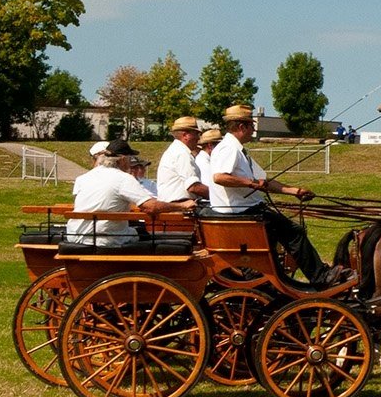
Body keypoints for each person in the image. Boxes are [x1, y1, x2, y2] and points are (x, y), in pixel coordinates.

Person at [208, 103, 329, 283]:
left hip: (247, 210)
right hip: (241, 212)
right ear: (242, 126)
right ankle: (321, 278)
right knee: (295, 232)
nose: (253, 130)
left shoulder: (239, 151)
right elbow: (219, 177)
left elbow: (264, 181)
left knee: (277, 239)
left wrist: (294, 191)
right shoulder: (229, 149)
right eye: (252, 126)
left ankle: (272, 278)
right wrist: (251, 183)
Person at [66, 140, 192, 247]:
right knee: (143, 233)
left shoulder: (84, 178)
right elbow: (151, 206)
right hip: (103, 239)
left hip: (74, 234)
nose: (131, 163)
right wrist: (182, 206)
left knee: (137, 229)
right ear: (122, 159)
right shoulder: (123, 178)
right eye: (130, 158)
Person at [156, 115, 208, 201]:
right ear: (185, 135)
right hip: (179, 208)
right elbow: (193, 187)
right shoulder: (181, 153)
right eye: (196, 134)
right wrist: (217, 196)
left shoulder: (177, 150)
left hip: (178, 206)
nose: (198, 138)